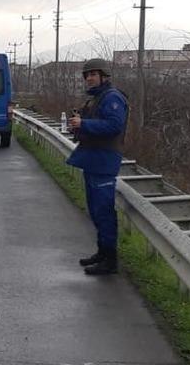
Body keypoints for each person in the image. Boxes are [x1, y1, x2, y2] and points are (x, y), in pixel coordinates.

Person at [67, 58, 128, 275]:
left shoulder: (112, 97)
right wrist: (78, 126)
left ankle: (110, 260)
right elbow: (94, 124)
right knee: (94, 210)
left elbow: (114, 125)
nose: (89, 78)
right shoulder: (96, 98)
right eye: (87, 75)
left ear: (104, 76)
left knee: (103, 211)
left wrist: (84, 123)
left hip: (104, 160)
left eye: (93, 74)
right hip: (93, 158)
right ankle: (102, 252)